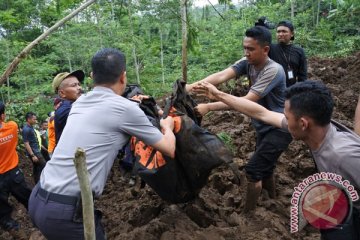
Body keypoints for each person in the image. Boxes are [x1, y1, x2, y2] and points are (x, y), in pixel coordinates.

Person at [28, 48, 176, 240]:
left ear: (91, 76)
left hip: (38, 199)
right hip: (66, 213)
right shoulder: (126, 109)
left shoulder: (79, 103)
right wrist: (168, 126)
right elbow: (169, 149)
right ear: (123, 76)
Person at [194, 80, 360, 239]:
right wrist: (219, 95)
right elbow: (262, 113)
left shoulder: (343, 157)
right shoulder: (320, 129)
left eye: (287, 117)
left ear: (303, 123)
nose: (284, 121)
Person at [188, 26, 292, 213]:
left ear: (265, 49)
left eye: (251, 49)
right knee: (266, 168)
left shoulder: (273, 70)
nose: (246, 53)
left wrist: (209, 107)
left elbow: (245, 102)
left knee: (253, 171)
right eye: (244, 48)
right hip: (263, 126)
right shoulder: (248, 62)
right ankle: (273, 199)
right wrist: (189, 87)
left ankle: (248, 215)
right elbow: (221, 76)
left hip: (278, 128)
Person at [0, 101, 31, 239]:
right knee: (28, 199)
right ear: (3, 115)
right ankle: (42, 220)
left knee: (2, 210)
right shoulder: (12, 127)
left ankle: (14, 229)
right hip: (14, 173)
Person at [269, 20, 307, 87]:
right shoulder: (270, 48)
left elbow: (302, 76)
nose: (280, 34)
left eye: (284, 31)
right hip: (273, 91)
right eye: (278, 32)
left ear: (292, 34)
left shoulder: (299, 51)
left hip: (290, 91)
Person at [52, 70, 84, 144]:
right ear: (62, 93)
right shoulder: (66, 110)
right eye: (74, 85)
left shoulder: (71, 106)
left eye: (79, 84)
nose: (79, 87)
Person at [22, 112, 46, 184]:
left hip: (36, 151)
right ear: (29, 119)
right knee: (44, 166)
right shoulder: (26, 129)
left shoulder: (30, 127)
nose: (35, 120)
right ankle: (43, 183)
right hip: (35, 153)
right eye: (34, 119)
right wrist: (33, 155)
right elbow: (26, 143)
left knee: (37, 168)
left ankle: (37, 183)